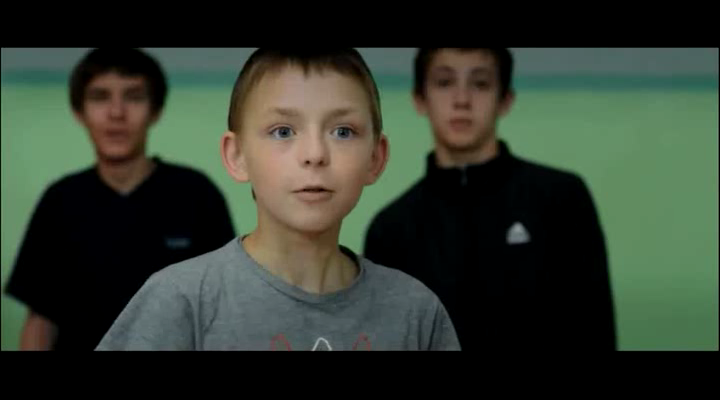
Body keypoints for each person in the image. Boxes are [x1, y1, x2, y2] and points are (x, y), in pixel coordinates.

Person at [95, 48, 460, 351]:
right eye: (283, 131)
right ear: (237, 156)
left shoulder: (417, 313)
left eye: (342, 131)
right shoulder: (180, 300)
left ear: (375, 158)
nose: (315, 154)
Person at [364, 48, 617, 350]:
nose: (461, 100)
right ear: (420, 99)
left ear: (505, 100)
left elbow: (596, 329)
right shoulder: (391, 230)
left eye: (480, 83)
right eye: (444, 82)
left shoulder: (561, 198)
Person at [4, 48, 236, 350]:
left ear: (155, 110)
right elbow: (41, 321)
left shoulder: (197, 194)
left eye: (134, 97)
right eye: (100, 97)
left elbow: (224, 312)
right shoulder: (59, 201)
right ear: (79, 112)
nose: (116, 113)